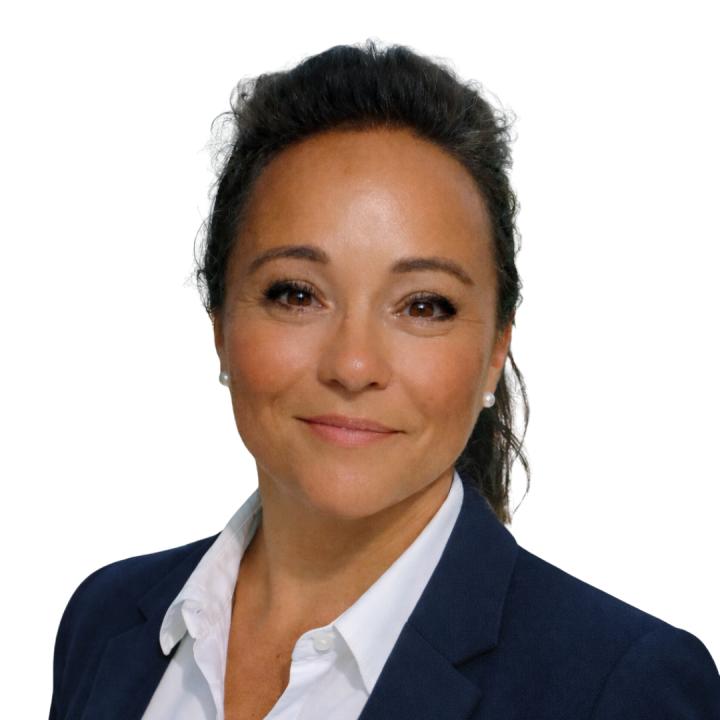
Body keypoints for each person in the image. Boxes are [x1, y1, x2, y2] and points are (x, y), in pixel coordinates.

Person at [49, 42, 720, 720]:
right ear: (220, 323)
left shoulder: (623, 686)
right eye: (296, 294)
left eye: (423, 306)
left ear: (496, 350)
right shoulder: (106, 619)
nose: (353, 366)